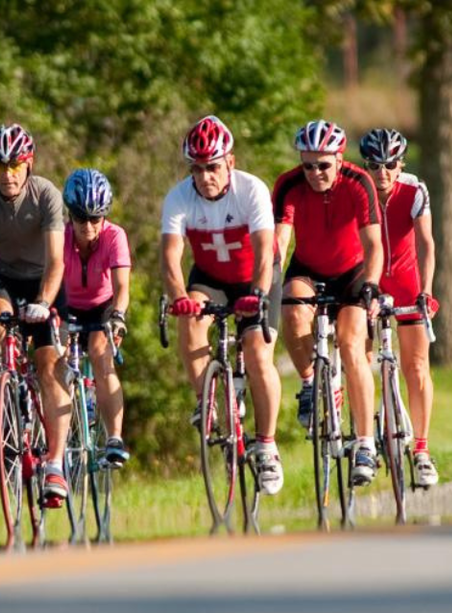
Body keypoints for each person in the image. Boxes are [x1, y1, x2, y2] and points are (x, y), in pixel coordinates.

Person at [160, 115, 284, 496]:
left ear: (230, 161)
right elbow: (170, 259)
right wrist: (180, 297)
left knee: (257, 353)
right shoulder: (179, 197)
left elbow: (265, 254)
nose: (205, 176)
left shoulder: (251, 190)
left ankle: (267, 445)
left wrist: (259, 295)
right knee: (191, 317)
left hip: (255, 277)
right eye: (196, 168)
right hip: (211, 276)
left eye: (212, 166)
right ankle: (207, 400)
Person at [0, 123, 70, 502]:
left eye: (16, 166)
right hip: (2, 276)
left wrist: (43, 302)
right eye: (1, 166)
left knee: (48, 366)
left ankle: (55, 465)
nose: (9, 175)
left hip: (45, 281)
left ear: (29, 164)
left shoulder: (46, 195)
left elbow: (57, 260)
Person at [273, 119, 384, 486]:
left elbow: (374, 246)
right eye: (308, 165)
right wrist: (268, 279)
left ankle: (365, 443)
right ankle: (310, 384)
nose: (315, 173)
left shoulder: (359, 182)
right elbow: (280, 240)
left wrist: (370, 283)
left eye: (323, 165)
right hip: (308, 267)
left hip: (351, 270)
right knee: (290, 306)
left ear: (339, 158)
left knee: (352, 346)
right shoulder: (288, 185)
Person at [359, 128, 440, 487]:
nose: (383, 173)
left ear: (401, 163)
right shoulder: (357, 190)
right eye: (375, 165)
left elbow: (426, 243)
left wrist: (426, 291)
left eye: (390, 164)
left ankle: (421, 450)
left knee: (416, 365)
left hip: (407, 284)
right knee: (356, 359)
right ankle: (361, 439)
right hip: (368, 283)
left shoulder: (413, 190)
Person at [62, 168, 132, 467]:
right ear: (70, 215)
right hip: (66, 305)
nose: (88, 226)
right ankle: (54, 435)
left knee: (100, 355)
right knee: (56, 356)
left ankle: (114, 438)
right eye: (81, 218)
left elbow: (122, 287)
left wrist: (118, 315)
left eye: (95, 218)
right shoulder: (59, 237)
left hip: (102, 306)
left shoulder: (115, 236)